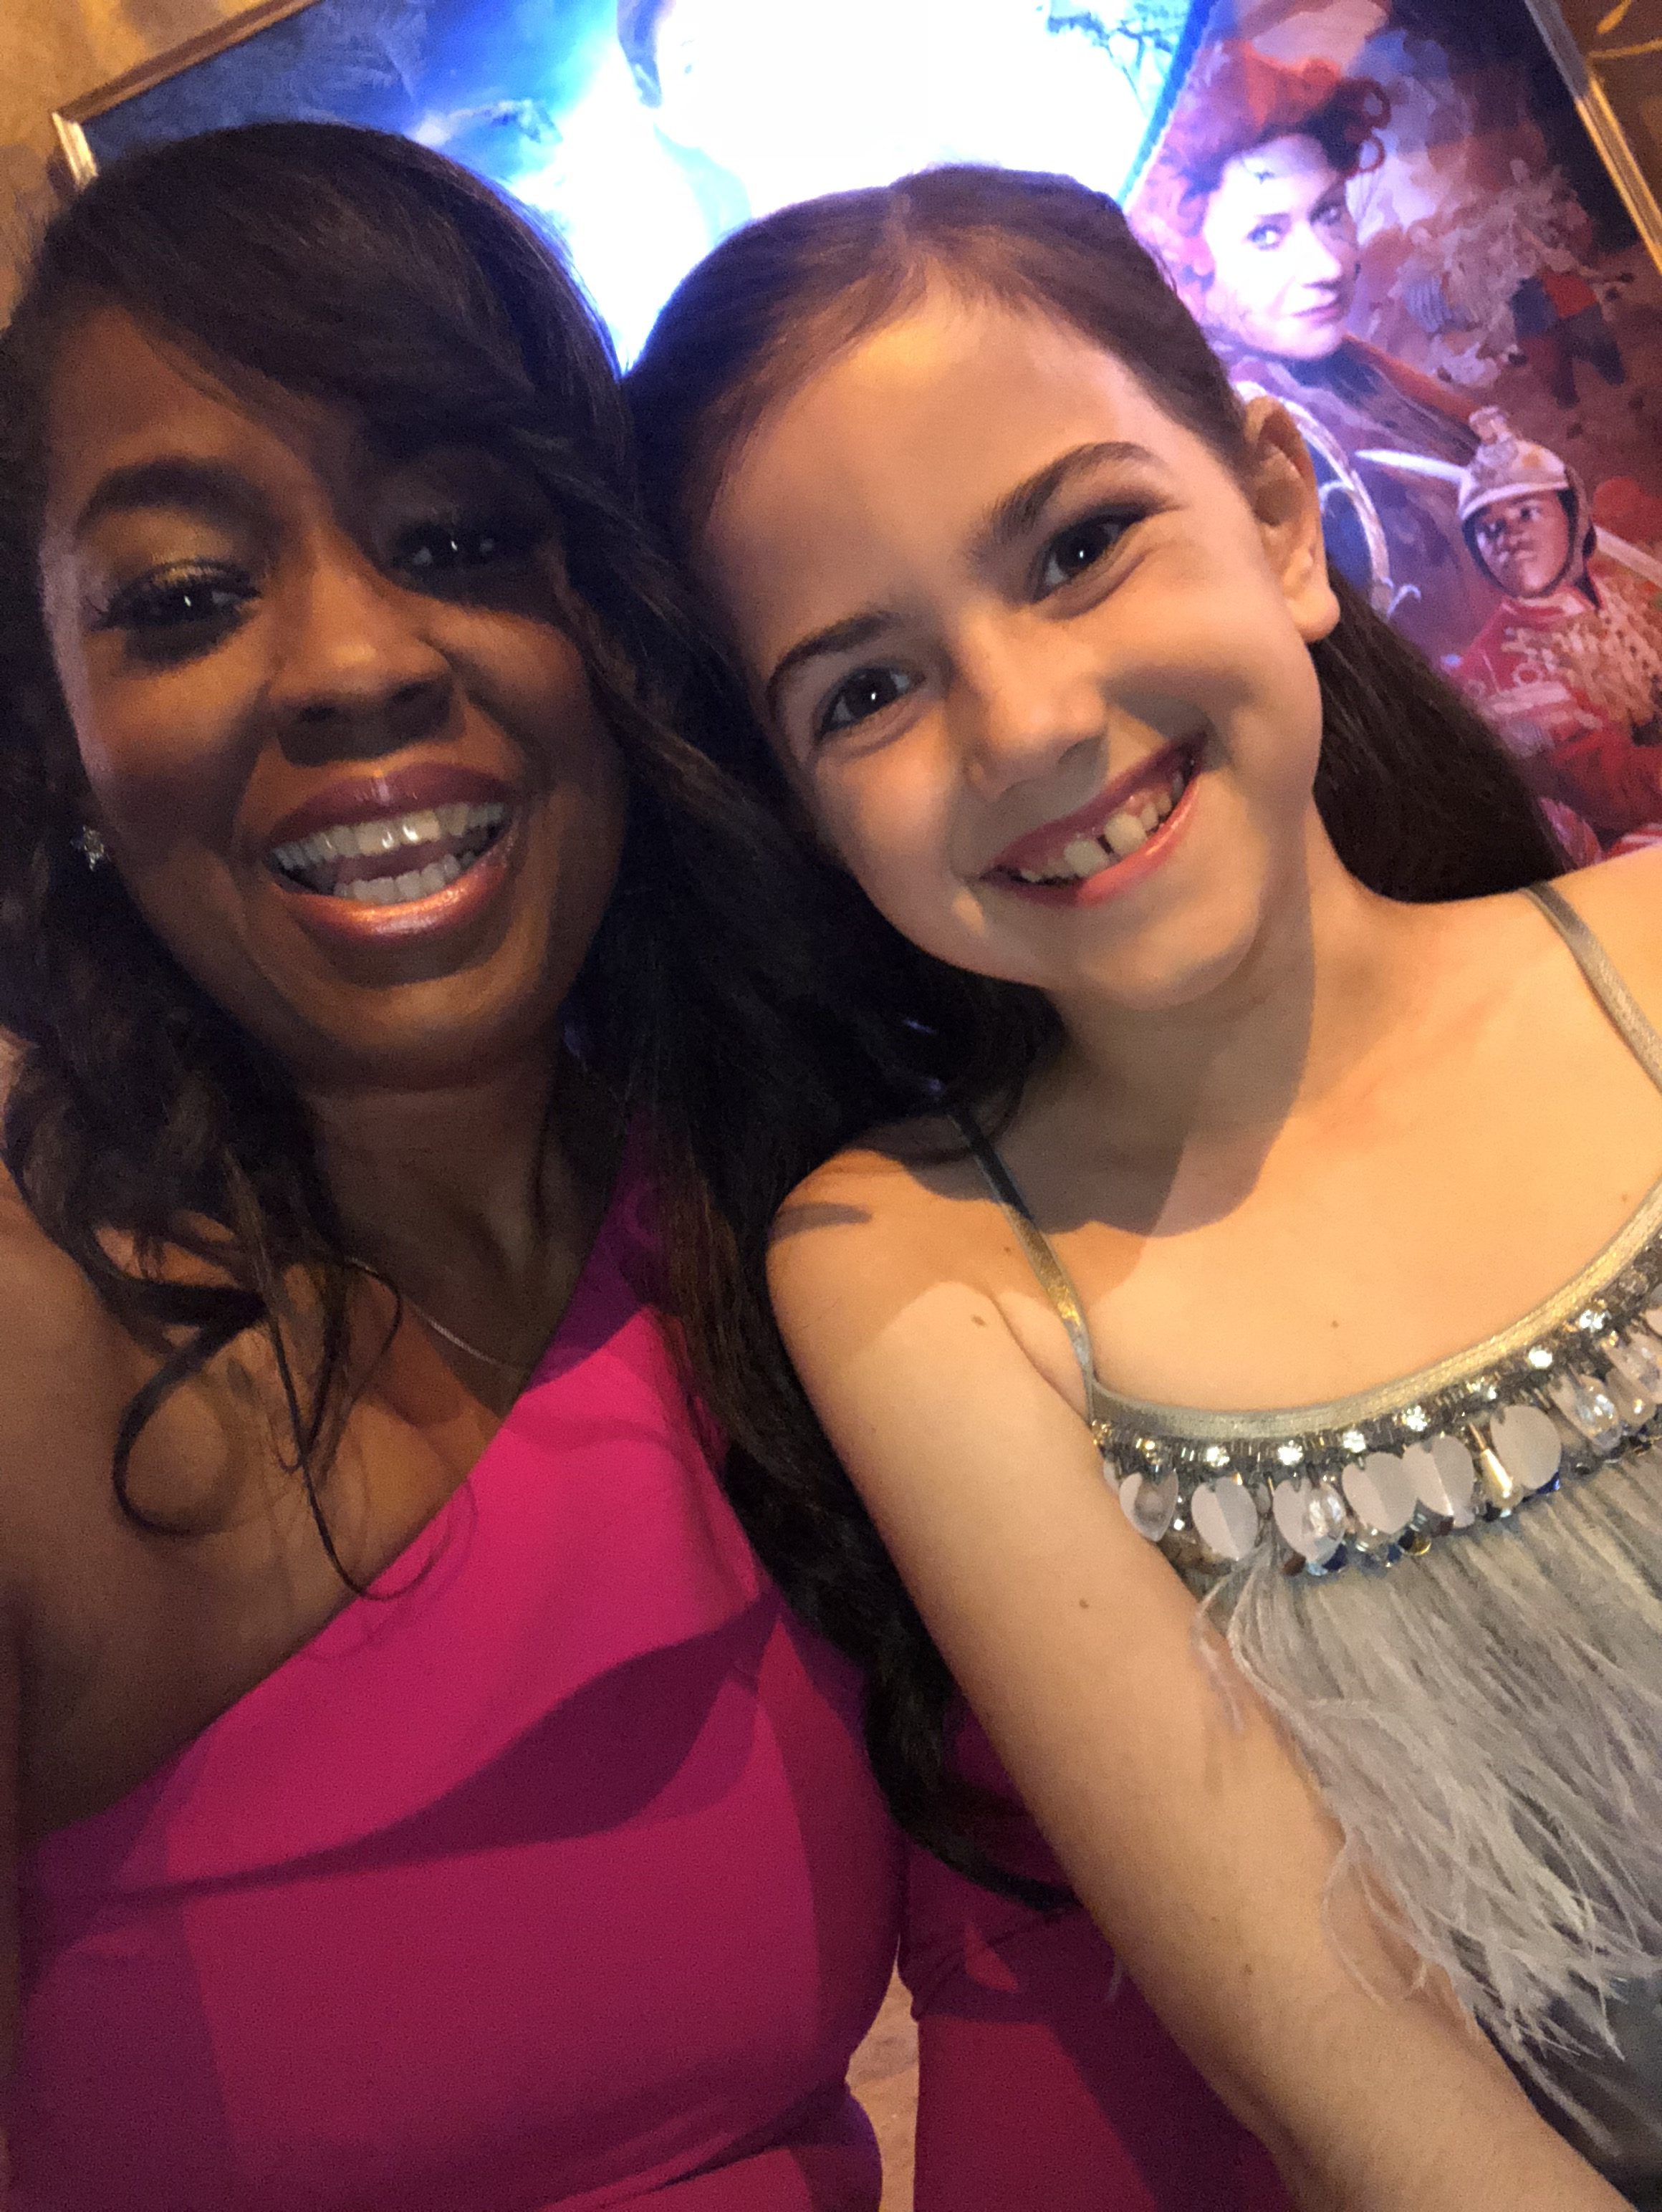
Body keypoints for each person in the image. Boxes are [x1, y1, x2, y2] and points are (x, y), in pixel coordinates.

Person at [0, 124, 1294, 2210]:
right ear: (58, 731)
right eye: (185, 597)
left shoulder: (806, 1225)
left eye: (456, 536)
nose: (352, 661)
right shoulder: (32, 1333)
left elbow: (1046, 1954)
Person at [628, 163, 1662, 2205]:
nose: (1027, 723)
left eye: (1081, 547)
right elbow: (1354, 2084)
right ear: (800, 809)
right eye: (866, 689)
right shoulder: (914, 1271)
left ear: (1275, 514)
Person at [1130, 41, 1489, 665]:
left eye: (1328, 214)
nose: (1327, 265)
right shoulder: (1224, 436)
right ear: (1190, 255)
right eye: (1266, 235)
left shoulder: (1355, 371)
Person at [1450, 410, 1662, 852]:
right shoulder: (1491, 670)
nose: (1510, 536)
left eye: (1526, 513)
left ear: (1573, 515)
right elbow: (1610, 790)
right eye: (1489, 529)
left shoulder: (1624, 587)